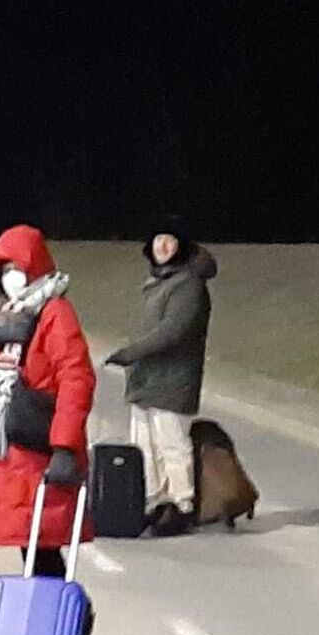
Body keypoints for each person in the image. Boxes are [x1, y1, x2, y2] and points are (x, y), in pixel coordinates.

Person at [0, 225, 95, 576]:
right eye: (4, 271)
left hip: (41, 443)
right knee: (32, 543)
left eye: (16, 268)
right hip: (18, 446)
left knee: (42, 544)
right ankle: (52, 607)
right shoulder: (19, 313)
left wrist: (65, 447)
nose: (11, 278)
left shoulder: (55, 313)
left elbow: (75, 379)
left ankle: (60, 608)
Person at [102, 215, 218, 537]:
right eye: (157, 240)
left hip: (173, 379)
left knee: (171, 444)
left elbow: (172, 332)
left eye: (169, 240)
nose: (163, 246)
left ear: (181, 246)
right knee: (144, 444)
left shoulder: (189, 285)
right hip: (146, 378)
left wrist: (130, 353)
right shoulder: (159, 282)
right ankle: (153, 502)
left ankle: (181, 504)